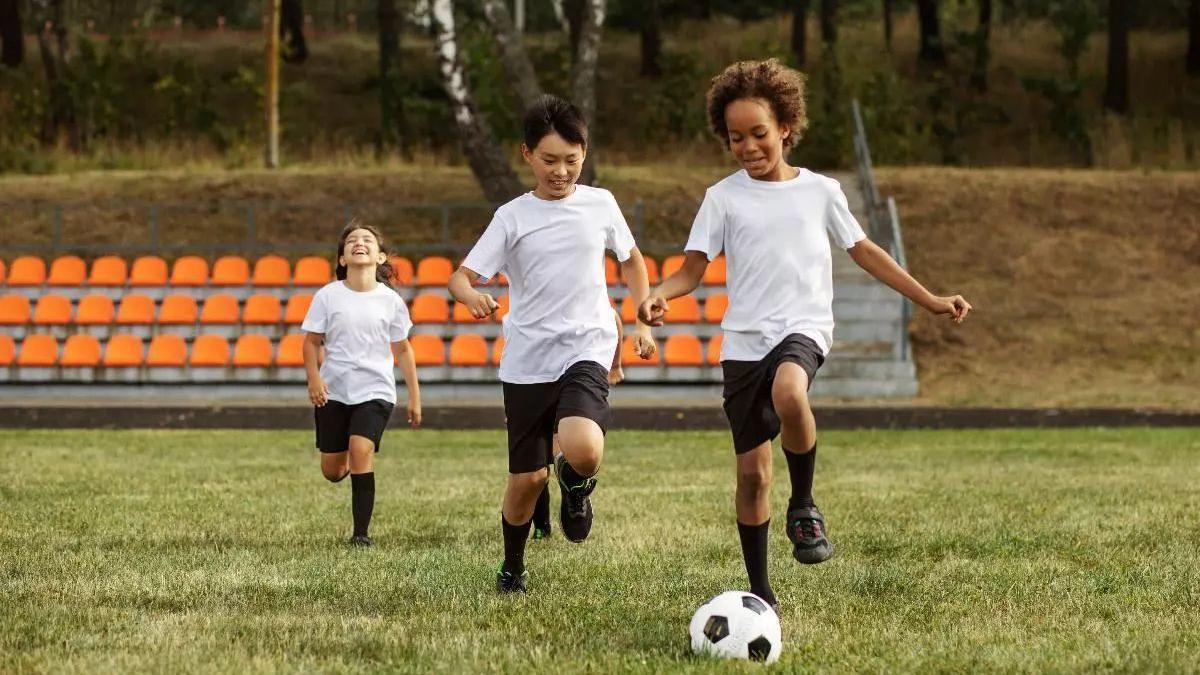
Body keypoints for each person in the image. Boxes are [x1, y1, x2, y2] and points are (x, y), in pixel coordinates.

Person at [639, 59, 971, 610]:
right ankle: (761, 592)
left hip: (803, 328)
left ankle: (806, 506)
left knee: (790, 391)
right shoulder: (722, 198)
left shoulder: (822, 192)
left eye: (759, 134)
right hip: (743, 344)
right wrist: (659, 293)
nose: (748, 146)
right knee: (751, 479)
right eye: (735, 137)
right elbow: (692, 269)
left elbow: (866, 252)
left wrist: (930, 299)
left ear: (786, 127)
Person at [448, 95, 656, 593]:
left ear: (584, 152)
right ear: (526, 155)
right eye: (549, 160)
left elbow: (631, 261)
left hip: (586, 343)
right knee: (528, 479)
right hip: (526, 360)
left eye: (571, 159)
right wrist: (472, 296)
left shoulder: (601, 204)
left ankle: (578, 486)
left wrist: (642, 312)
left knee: (584, 450)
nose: (561, 171)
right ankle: (512, 567)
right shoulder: (511, 217)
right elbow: (461, 277)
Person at [302, 221, 423, 547]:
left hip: (375, 390)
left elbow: (402, 349)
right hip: (334, 390)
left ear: (381, 257)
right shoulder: (328, 296)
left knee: (360, 449)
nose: (359, 243)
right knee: (332, 469)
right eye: (352, 240)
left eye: (367, 240)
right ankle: (346, 463)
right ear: (342, 259)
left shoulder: (391, 301)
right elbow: (312, 342)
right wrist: (314, 379)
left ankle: (360, 534)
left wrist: (414, 396)